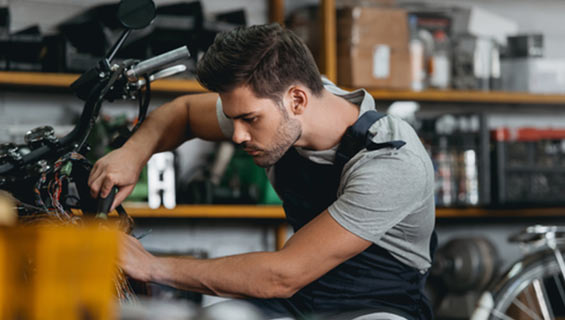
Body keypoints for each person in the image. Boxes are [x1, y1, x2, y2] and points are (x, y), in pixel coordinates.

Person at [88, 23, 436, 320]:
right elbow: (185, 113)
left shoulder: (391, 160)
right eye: (234, 118)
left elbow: (283, 275)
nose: (236, 135)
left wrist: (151, 266)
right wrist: (131, 154)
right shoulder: (280, 106)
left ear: (297, 100)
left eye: (249, 120)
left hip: (377, 306)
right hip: (302, 298)